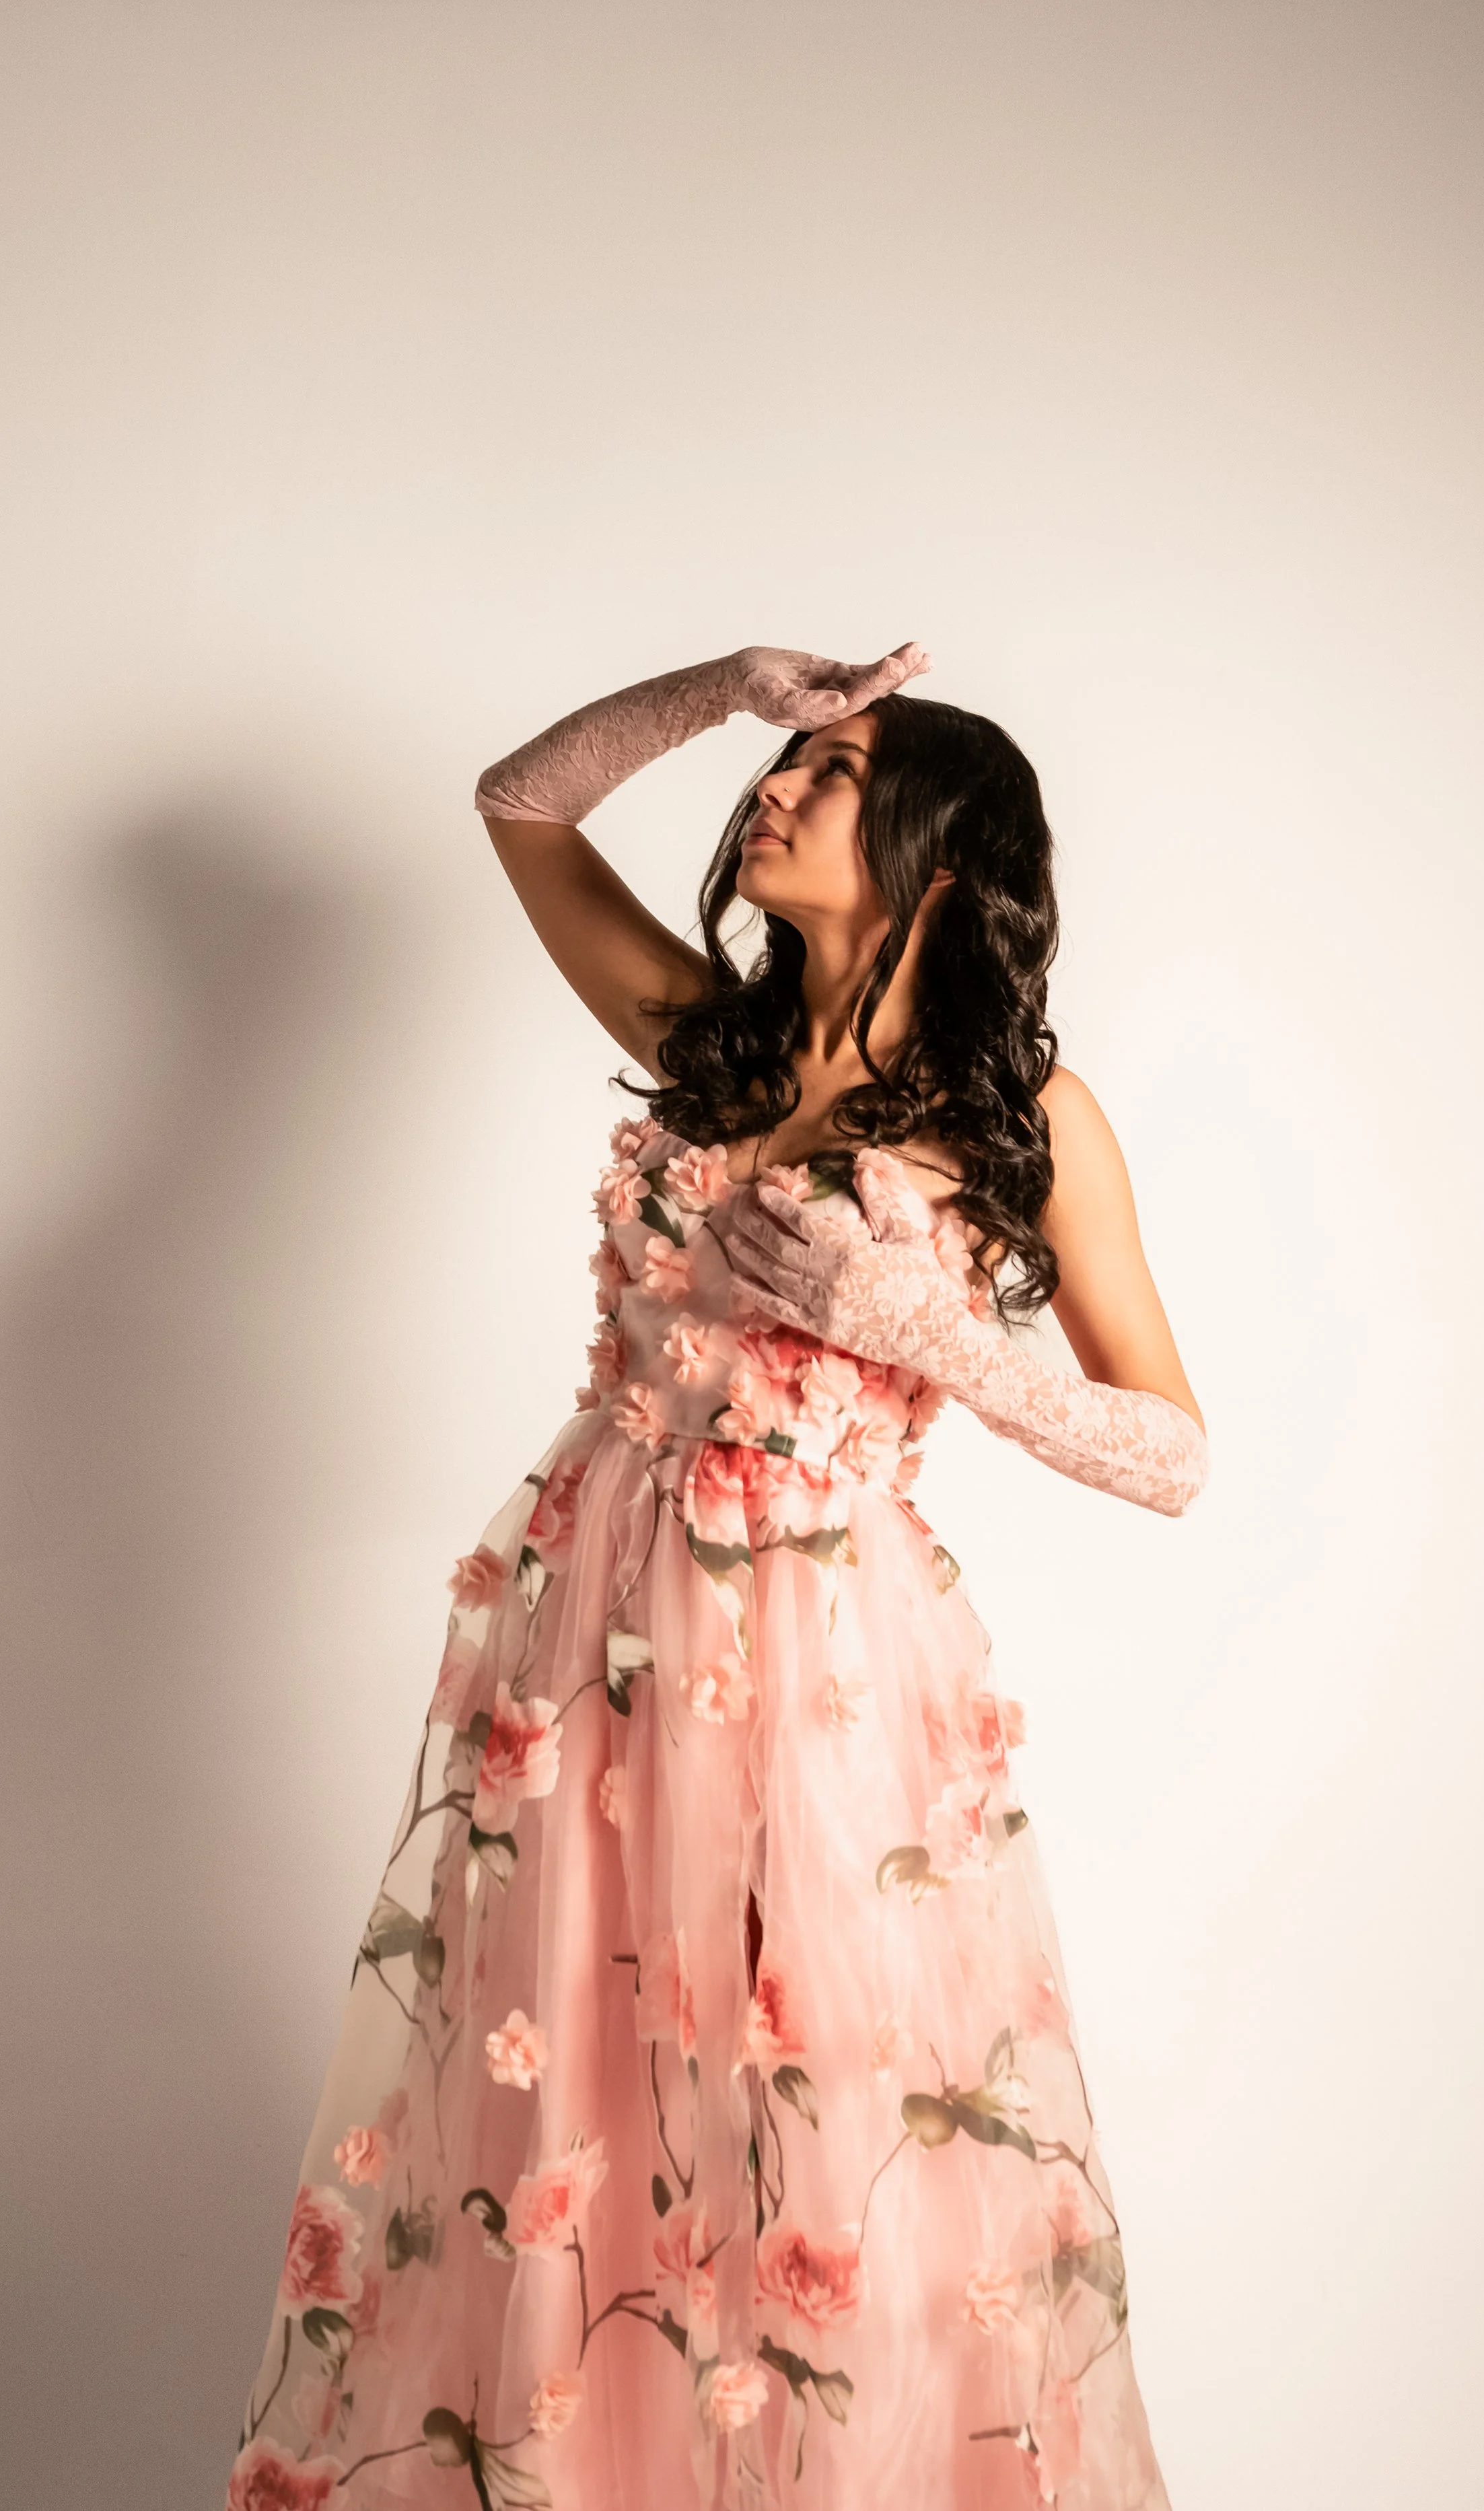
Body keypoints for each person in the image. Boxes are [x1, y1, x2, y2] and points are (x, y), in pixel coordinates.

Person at [225, 642, 1207, 2511]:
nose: (772, 788)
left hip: (827, 1656)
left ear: (939, 856)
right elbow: (523, 803)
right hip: (592, 1632)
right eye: (786, 762)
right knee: (579, 2098)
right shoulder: (709, 1037)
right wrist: (730, 687)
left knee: (827, 2109)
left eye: (829, 773)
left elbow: (1169, 1449)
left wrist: (924, 1324)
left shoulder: (1025, 1119)